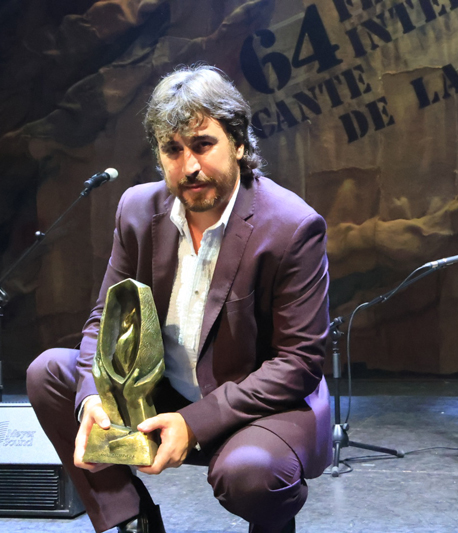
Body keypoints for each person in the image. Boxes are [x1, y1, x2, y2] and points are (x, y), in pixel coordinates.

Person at [27, 64, 331, 533]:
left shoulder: (291, 226)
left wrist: (193, 422)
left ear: (239, 143)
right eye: (173, 149)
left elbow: (298, 362)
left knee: (250, 474)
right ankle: (132, 522)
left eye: (203, 145)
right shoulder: (136, 210)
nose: (188, 166)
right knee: (52, 373)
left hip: (259, 405)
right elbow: (101, 320)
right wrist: (91, 399)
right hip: (164, 391)